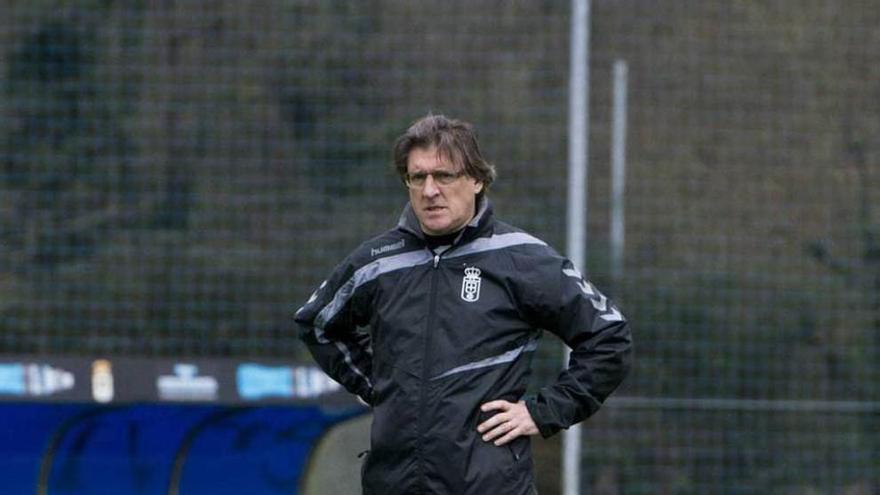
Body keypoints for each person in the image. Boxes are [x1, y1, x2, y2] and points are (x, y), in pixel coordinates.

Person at [295, 114, 632, 494]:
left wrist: (542, 412)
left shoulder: (522, 259)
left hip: (488, 485)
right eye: (417, 177)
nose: (430, 190)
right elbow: (318, 324)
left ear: (476, 180)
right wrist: (381, 388)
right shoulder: (377, 262)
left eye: (444, 176)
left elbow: (610, 338)